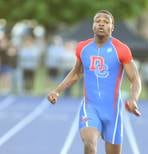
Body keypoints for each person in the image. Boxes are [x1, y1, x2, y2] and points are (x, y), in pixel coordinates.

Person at [47, 10, 142, 154]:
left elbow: (135, 79)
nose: (101, 24)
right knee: (89, 144)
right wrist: (57, 91)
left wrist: (133, 99)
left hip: (112, 111)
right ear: (93, 25)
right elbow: (76, 73)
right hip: (90, 107)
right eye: (98, 21)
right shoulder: (82, 48)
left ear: (112, 27)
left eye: (106, 22)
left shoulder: (121, 49)